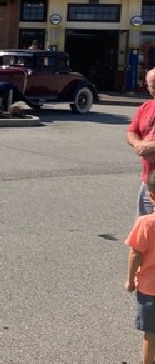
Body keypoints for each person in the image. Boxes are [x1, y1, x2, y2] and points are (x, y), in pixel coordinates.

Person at [126, 169, 155, 362]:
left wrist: (130, 281)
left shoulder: (146, 223)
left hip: (149, 289)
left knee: (150, 335)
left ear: (151, 196)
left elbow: (135, 254)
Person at [128, 67, 155, 216]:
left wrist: (149, 146)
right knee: (145, 230)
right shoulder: (145, 108)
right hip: (148, 182)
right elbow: (132, 132)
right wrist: (138, 145)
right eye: (153, 86)